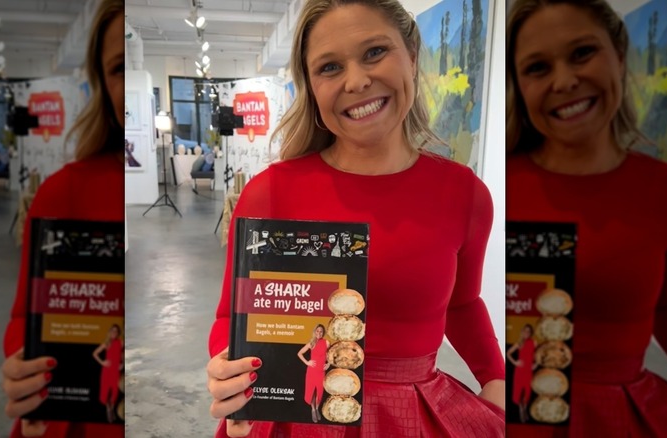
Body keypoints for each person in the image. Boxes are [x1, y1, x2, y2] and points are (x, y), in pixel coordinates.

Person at [206, 1, 505, 436]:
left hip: (411, 417)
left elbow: (463, 302)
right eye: (330, 67)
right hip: (296, 415)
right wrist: (226, 366)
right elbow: (231, 315)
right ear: (311, 85)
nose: (357, 81)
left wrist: (496, 379)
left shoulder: (464, 194)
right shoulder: (270, 193)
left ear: (413, 55)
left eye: (374, 52)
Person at [506, 0, 667, 435]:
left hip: (621, 414)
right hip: (520, 407)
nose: (564, 81)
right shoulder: (495, 187)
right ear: (519, 86)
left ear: (618, 56)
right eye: (538, 68)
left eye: (582, 53)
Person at [0, 0, 124, 436]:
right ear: (102, 83)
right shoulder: (63, 190)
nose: (125, 82)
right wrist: (25, 361)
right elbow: (24, 315)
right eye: (117, 68)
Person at [297, 324, 330, 423]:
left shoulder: (327, 342)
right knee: (311, 392)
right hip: (311, 371)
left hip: (321, 371)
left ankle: (317, 408)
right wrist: (307, 362)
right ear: (315, 332)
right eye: (317, 331)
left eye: (321, 331)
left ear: (323, 333)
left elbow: (331, 355)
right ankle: (313, 410)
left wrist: (328, 364)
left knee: (319, 392)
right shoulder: (311, 343)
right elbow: (299, 353)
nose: (319, 333)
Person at [93, 324, 124, 423]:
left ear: (118, 333)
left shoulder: (121, 342)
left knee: (115, 391)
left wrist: (122, 364)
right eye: (112, 330)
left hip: (116, 370)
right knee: (106, 391)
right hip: (107, 370)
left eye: (116, 331)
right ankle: (108, 409)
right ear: (110, 332)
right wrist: (102, 362)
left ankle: (111, 409)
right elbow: (94, 353)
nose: (114, 332)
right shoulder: (106, 343)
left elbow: (122, 354)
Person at [506, 324, 535, 422]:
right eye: (525, 331)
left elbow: (538, 355)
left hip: (528, 371)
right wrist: (515, 362)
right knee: (518, 392)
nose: (526, 333)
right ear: (522, 332)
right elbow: (508, 353)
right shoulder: (519, 343)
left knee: (527, 392)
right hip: (519, 371)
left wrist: (535, 364)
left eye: (529, 331)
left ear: (531, 333)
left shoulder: (533, 343)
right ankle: (521, 410)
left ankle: (524, 409)